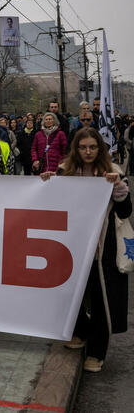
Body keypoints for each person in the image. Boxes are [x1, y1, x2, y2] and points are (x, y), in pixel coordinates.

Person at [40, 127, 130, 373]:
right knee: (70, 293)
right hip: (72, 247)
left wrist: (118, 189)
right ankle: (79, 332)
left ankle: (97, 352)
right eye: (83, 147)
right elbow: (53, 208)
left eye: (92, 147)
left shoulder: (114, 173)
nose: (88, 152)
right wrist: (47, 185)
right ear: (75, 149)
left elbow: (125, 212)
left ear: (100, 148)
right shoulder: (64, 172)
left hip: (103, 249)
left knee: (102, 299)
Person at [31, 113, 68, 177]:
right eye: (46, 119)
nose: (48, 121)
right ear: (43, 121)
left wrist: (62, 162)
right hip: (42, 167)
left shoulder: (60, 134)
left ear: (54, 121)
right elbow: (34, 148)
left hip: (56, 167)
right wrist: (35, 159)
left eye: (50, 119)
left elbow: (65, 150)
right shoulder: (38, 134)